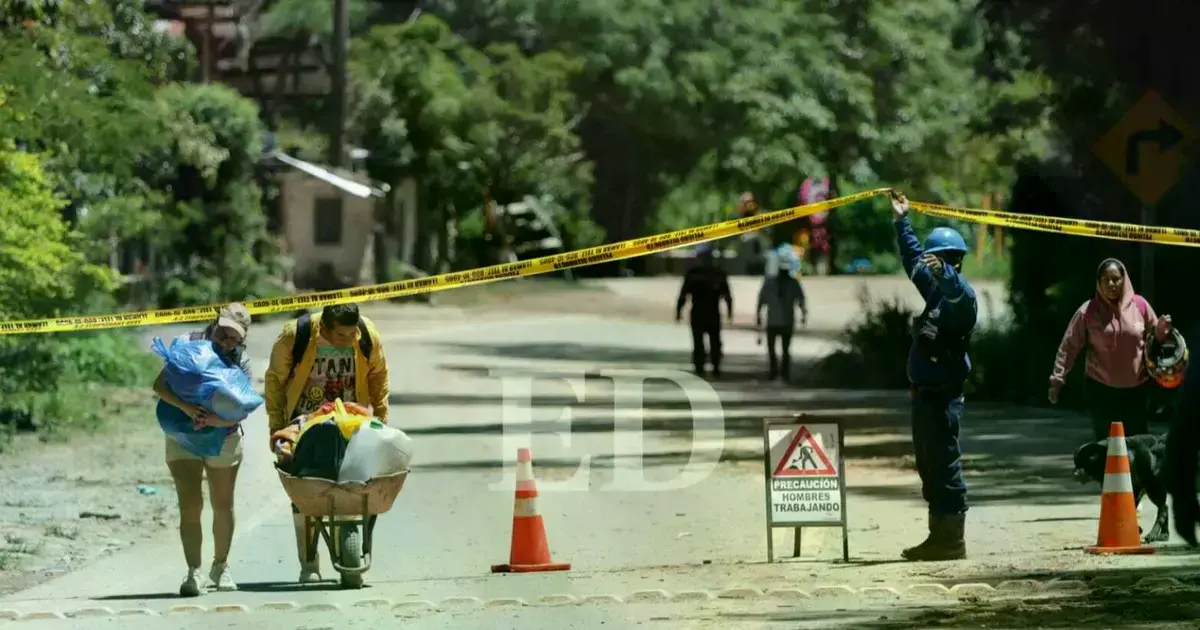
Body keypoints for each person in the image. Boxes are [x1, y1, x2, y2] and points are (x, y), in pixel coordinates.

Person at [264, 303, 390, 583]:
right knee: (306, 493)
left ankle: (349, 548)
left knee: (352, 484)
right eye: (342, 336)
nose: (350, 339)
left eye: (352, 333)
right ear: (325, 328)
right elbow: (274, 382)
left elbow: (378, 377)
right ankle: (309, 565)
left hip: (350, 419)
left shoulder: (366, 335)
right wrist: (278, 428)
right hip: (305, 422)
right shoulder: (296, 335)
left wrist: (381, 420)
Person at [891, 191, 977, 562]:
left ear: (950, 262)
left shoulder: (961, 299)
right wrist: (901, 221)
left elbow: (959, 293)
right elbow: (912, 259)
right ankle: (936, 537)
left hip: (943, 398)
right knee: (928, 465)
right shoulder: (935, 294)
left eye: (936, 261)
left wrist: (947, 275)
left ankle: (952, 541)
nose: (929, 267)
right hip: (923, 394)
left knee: (945, 465)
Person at [153, 303, 253, 596]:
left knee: (223, 505)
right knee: (190, 505)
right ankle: (193, 572)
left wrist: (214, 420)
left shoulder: (241, 361)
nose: (226, 341)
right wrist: (189, 409)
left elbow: (242, 409)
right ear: (214, 323)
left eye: (234, 337)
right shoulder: (186, 345)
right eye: (223, 333)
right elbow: (160, 385)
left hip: (224, 438)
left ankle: (220, 566)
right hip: (182, 435)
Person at [1048, 258, 1172, 441]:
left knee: (1138, 443)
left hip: (1137, 389)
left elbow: (1156, 342)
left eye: (1116, 279)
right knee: (1107, 444)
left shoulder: (1141, 306)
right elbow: (1069, 347)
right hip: (1101, 389)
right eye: (1106, 280)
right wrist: (1057, 380)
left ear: (1125, 280)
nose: (1111, 284)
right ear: (1098, 283)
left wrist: (1161, 331)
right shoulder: (1088, 312)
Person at [676, 242, 733, 378]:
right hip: (703, 312)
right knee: (702, 342)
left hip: (707, 312)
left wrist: (678, 311)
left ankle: (711, 366)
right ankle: (704, 366)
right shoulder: (705, 273)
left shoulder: (706, 274)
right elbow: (684, 295)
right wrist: (678, 310)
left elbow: (727, 295)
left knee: (712, 341)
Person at [756, 257, 808, 382]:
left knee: (785, 349)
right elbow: (761, 300)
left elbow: (801, 299)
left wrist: (804, 314)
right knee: (772, 349)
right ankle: (774, 371)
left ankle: (784, 372)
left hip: (786, 320)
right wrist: (758, 315)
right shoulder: (770, 284)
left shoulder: (793, 283)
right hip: (773, 320)